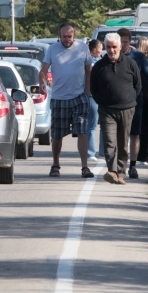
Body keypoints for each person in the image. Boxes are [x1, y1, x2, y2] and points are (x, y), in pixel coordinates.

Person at [39, 23, 94, 178]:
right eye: (64, 36)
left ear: (74, 36)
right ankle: (55, 165)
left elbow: (89, 70)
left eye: (70, 36)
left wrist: (87, 90)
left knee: (82, 131)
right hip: (59, 97)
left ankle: (85, 167)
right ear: (59, 36)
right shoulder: (52, 49)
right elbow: (43, 71)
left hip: (79, 96)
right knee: (56, 134)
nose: (67, 39)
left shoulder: (83, 48)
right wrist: (42, 83)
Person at [90, 33, 141, 184]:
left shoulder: (130, 64)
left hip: (127, 109)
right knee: (109, 141)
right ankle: (112, 171)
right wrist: (102, 102)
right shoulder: (99, 66)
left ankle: (121, 172)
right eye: (108, 47)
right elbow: (93, 88)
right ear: (105, 48)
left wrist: (130, 101)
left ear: (120, 46)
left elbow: (138, 86)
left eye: (114, 47)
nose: (111, 50)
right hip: (107, 110)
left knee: (122, 142)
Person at [116, 28, 148, 179]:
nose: (122, 46)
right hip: (117, 101)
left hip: (136, 99)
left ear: (130, 42)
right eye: (120, 42)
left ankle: (133, 166)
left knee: (135, 133)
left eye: (125, 42)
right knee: (120, 135)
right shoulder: (112, 55)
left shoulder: (138, 56)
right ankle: (119, 164)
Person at [86, 39, 104, 162]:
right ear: (94, 50)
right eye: (100, 49)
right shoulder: (89, 62)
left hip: (103, 96)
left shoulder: (101, 61)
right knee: (92, 125)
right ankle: (91, 152)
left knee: (104, 124)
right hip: (92, 95)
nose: (102, 51)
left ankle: (102, 152)